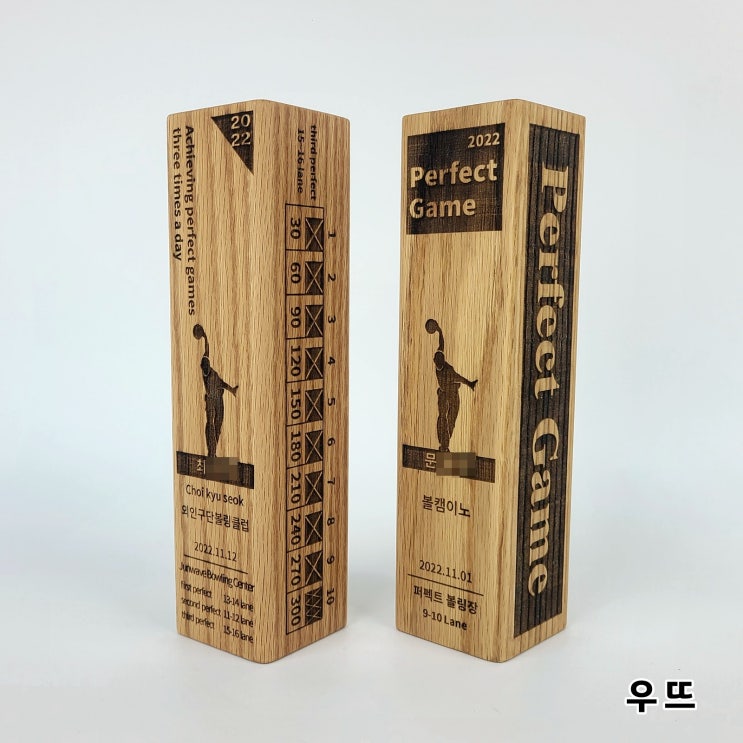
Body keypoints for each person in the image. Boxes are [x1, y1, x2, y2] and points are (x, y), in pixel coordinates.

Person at [426, 319, 477, 452]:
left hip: (449, 394)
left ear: (442, 359)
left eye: (440, 359)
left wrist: (440, 331)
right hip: (447, 395)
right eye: (437, 360)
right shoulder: (444, 368)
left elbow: (441, 345)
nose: (438, 361)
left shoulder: (444, 366)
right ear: (435, 360)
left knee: (449, 420)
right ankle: (444, 446)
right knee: (445, 418)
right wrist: (470, 384)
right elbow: (459, 378)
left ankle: (444, 446)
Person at [193, 325, 238, 457]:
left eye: (207, 364)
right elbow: (206, 354)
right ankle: (211, 453)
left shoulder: (213, 372)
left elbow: (221, 383)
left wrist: (205, 337)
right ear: (203, 367)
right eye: (204, 366)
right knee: (211, 424)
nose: (206, 366)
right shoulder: (206, 373)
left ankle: (213, 453)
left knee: (218, 423)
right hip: (211, 400)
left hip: (219, 399)